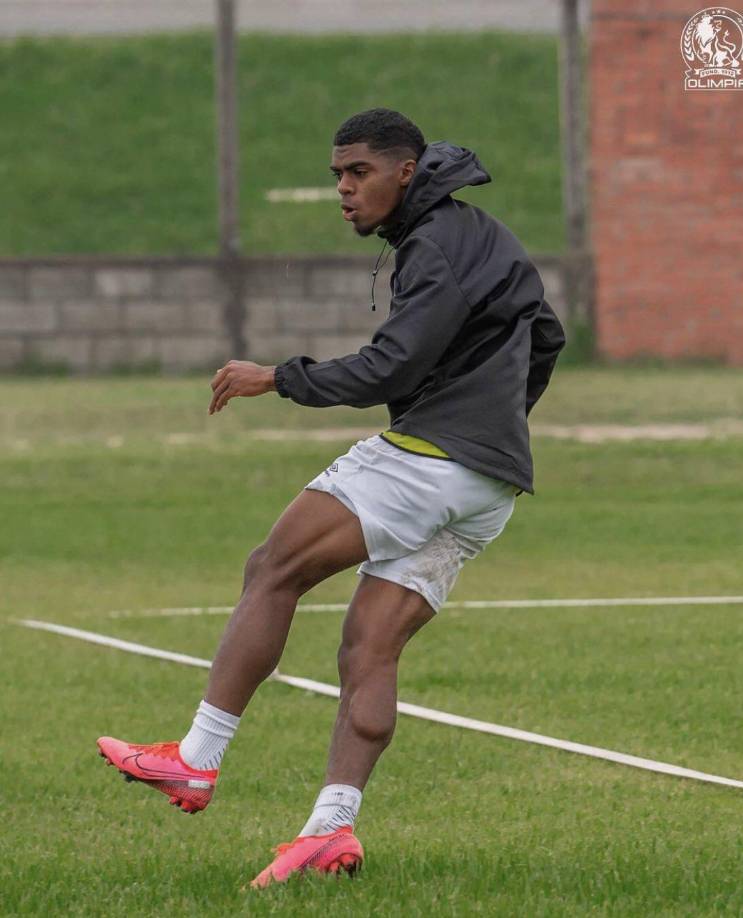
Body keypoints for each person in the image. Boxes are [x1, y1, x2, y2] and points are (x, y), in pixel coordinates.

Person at [97, 108, 566, 888]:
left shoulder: (435, 249)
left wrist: (277, 375)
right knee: (369, 647)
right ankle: (330, 827)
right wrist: (495, 427)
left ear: (406, 171)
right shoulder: (476, 233)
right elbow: (545, 337)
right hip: (489, 482)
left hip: (429, 458)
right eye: (337, 177)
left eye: (358, 174)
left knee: (272, 566)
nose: (344, 191)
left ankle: (195, 759)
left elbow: (389, 367)